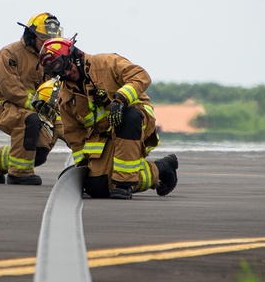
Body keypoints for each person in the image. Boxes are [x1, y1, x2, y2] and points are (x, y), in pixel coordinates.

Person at [38, 36, 178, 200]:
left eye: (66, 66)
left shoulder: (107, 63)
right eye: (60, 72)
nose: (67, 73)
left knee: (128, 116)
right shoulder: (66, 96)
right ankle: (161, 168)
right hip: (104, 136)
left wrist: (121, 99)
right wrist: (84, 167)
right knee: (97, 187)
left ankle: (124, 185)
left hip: (135, 123)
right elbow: (73, 134)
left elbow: (141, 76)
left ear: (74, 55)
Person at [0, 13, 66, 185]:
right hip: (1, 104)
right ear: (31, 35)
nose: (47, 43)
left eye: (51, 40)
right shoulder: (9, 54)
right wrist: (40, 108)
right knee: (29, 121)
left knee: (39, 152)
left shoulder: (50, 59)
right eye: (43, 39)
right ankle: (19, 174)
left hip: (36, 109)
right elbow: (11, 90)